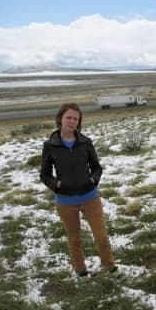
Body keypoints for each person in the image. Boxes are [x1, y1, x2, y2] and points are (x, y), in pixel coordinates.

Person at [40, 103, 120, 279]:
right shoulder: (51, 145)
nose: (72, 121)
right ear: (60, 118)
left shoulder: (85, 142)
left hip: (90, 198)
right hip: (65, 201)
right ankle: (81, 271)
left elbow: (97, 167)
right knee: (74, 239)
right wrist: (56, 185)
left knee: (101, 236)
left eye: (76, 119)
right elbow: (44, 174)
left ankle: (110, 267)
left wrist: (92, 180)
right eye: (69, 117)